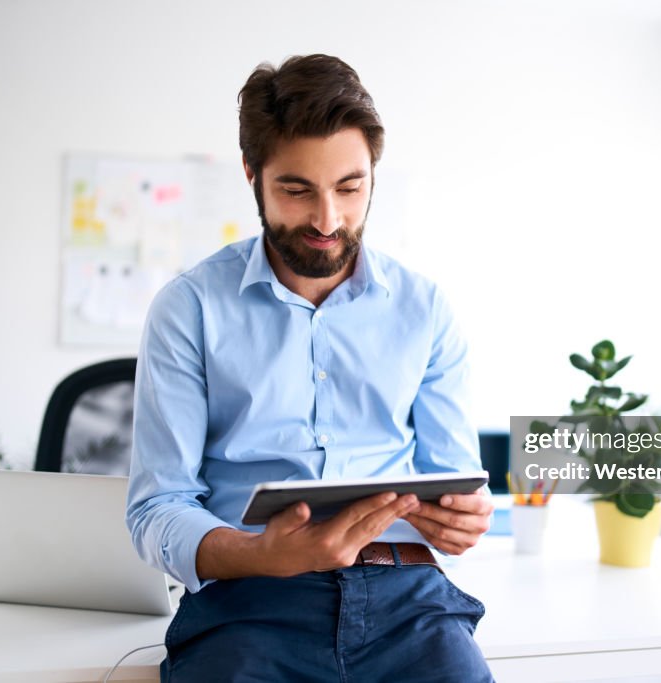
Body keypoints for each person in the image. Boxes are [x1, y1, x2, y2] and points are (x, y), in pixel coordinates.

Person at [125, 54, 495, 682]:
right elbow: (157, 506)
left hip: (407, 595)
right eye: (297, 191)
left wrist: (462, 518)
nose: (327, 220)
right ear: (253, 176)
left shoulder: (425, 309)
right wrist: (257, 553)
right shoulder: (189, 308)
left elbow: (452, 481)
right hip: (248, 601)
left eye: (350, 188)